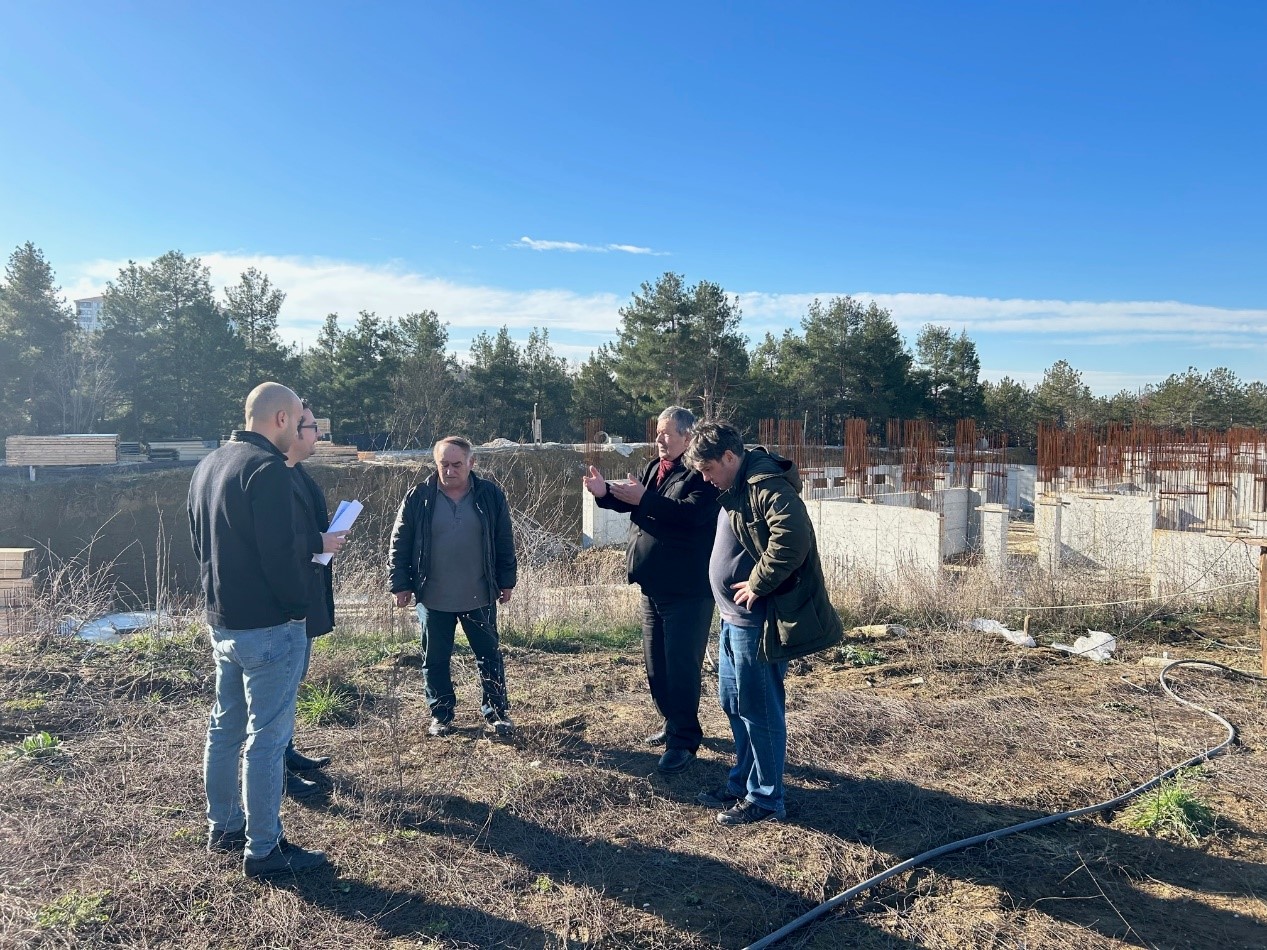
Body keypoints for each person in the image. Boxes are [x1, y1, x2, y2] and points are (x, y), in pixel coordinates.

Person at [188, 382, 342, 878]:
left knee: (224, 728)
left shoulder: (209, 464)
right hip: (271, 626)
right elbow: (281, 553)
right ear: (280, 419)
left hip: (224, 621)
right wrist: (297, 609)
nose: (301, 428)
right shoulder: (268, 470)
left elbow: (200, 543)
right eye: (299, 420)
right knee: (267, 740)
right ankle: (264, 849)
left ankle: (225, 826)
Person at [685, 421, 843, 825]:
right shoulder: (737, 485)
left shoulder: (765, 485)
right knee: (733, 703)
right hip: (732, 620)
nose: (705, 479)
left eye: (708, 470)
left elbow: (793, 538)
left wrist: (758, 582)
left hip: (755, 623)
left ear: (729, 457)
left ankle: (767, 798)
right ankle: (742, 783)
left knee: (761, 710)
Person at [583, 406, 719, 774]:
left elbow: (687, 516)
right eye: (658, 433)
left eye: (666, 434)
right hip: (653, 585)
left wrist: (643, 499)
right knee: (656, 666)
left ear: (687, 437)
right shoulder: (654, 468)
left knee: (681, 666)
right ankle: (672, 720)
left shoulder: (703, 473)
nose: (659, 440)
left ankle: (685, 740)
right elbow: (635, 499)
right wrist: (605, 492)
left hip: (687, 589)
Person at [388, 436, 517, 736]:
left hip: (479, 592)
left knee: (489, 655)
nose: (449, 470)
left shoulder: (489, 495)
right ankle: (441, 714)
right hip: (434, 596)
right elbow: (400, 543)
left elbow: (504, 541)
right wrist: (400, 583)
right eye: (443, 464)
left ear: (472, 463)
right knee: (434, 659)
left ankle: (497, 712)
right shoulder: (418, 497)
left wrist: (506, 580)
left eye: (456, 464)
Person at [281, 402, 346, 797]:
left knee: (292, 683)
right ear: (290, 427)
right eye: (312, 426)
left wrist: (327, 536)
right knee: (277, 692)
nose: (318, 434)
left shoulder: (298, 474)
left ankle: (285, 753)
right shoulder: (272, 478)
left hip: (304, 598)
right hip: (283, 606)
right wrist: (316, 541)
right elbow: (274, 544)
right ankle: (276, 770)